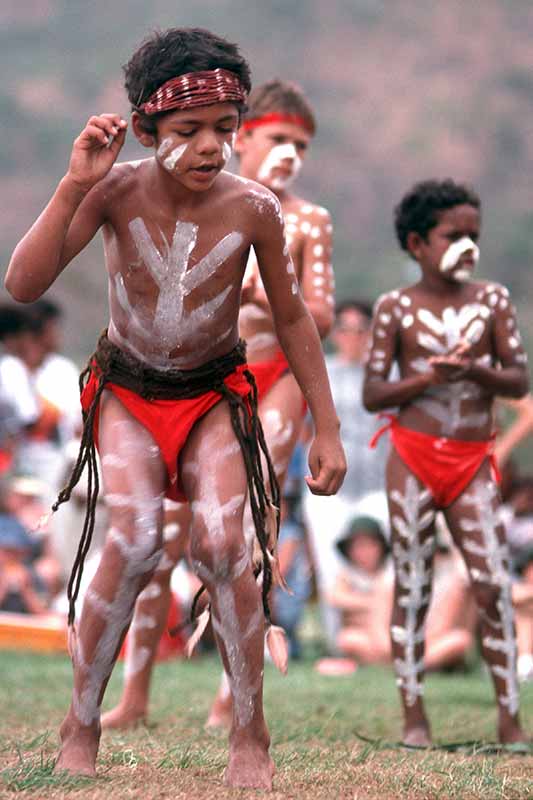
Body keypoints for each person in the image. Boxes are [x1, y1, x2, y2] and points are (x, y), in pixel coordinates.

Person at [5, 27, 345, 790]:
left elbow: (292, 318)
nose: (209, 147)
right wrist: (71, 186)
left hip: (215, 393)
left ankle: (249, 731)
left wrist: (324, 424)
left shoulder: (254, 207)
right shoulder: (112, 190)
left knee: (227, 545)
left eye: (226, 129)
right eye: (188, 131)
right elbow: (24, 286)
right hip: (127, 391)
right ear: (148, 128)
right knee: (130, 537)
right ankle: (81, 721)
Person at [102, 77, 336, 732]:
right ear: (244, 139)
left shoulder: (307, 220)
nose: (289, 154)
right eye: (277, 138)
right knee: (164, 533)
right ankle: (135, 692)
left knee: (247, 527)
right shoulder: (204, 206)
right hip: (205, 379)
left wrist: (265, 293)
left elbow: (315, 311)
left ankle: (233, 697)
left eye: (301, 144)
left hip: (275, 374)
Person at [363, 178, 529, 747]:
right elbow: (373, 394)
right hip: (412, 457)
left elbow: (519, 378)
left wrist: (475, 372)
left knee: (491, 585)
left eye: (473, 236)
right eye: (451, 236)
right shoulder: (394, 308)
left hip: (472, 461)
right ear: (416, 244)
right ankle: (414, 719)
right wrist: (430, 377)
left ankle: (510, 718)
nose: (467, 246)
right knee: (412, 587)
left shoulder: (494, 300)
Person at [303, 300, 389, 652]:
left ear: (371, 333)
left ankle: (383, 637)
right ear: (335, 333)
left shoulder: (388, 377)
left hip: (376, 484)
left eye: (360, 329)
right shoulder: (318, 373)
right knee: (329, 562)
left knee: (386, 566)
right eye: (346, 329)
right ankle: (340, 643)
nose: (353, 336)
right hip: (329, 486)